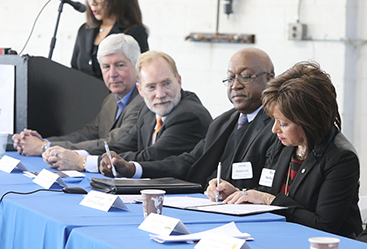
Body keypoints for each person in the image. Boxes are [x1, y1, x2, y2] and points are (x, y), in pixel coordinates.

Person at [205, 61, 362, 238]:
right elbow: (266, 190)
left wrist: (269, 201)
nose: (275, 130)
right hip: (283, 235)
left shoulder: (341, 158)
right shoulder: (285, 144)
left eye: (284, 123)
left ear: (309, 120)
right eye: (274, 120)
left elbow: (324, 225)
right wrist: (239, 194)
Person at [101, 48, 278, 189]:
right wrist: (133, 169)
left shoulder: (277, 125)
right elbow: (189, 163)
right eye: (231, 78)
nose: (236, 85)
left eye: (246, 76)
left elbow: (269, 187)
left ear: (270, 79)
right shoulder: (224, 122)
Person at [49, 50, 212, 172]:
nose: (160, 94)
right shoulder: (148, 109)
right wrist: (71, 153)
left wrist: (83, 162)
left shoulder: (188, 115)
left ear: (179, 80)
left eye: (166, 84)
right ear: (140, 90)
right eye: (151, 87)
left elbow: (151, 156)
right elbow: (124, 145)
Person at [12, 34, 144, 158]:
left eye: (120, 65)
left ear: (136, 66)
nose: (112, 74)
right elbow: (89, 134)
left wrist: (45, 147)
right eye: (106, 67)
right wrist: (42, 141)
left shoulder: (142, 101)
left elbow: (114, 144)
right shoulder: (111, 99)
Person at [72, 0, 149, 79]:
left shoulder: (134, 32)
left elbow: (141, 76)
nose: (92, 3)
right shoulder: (84, 30)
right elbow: (74, 71)